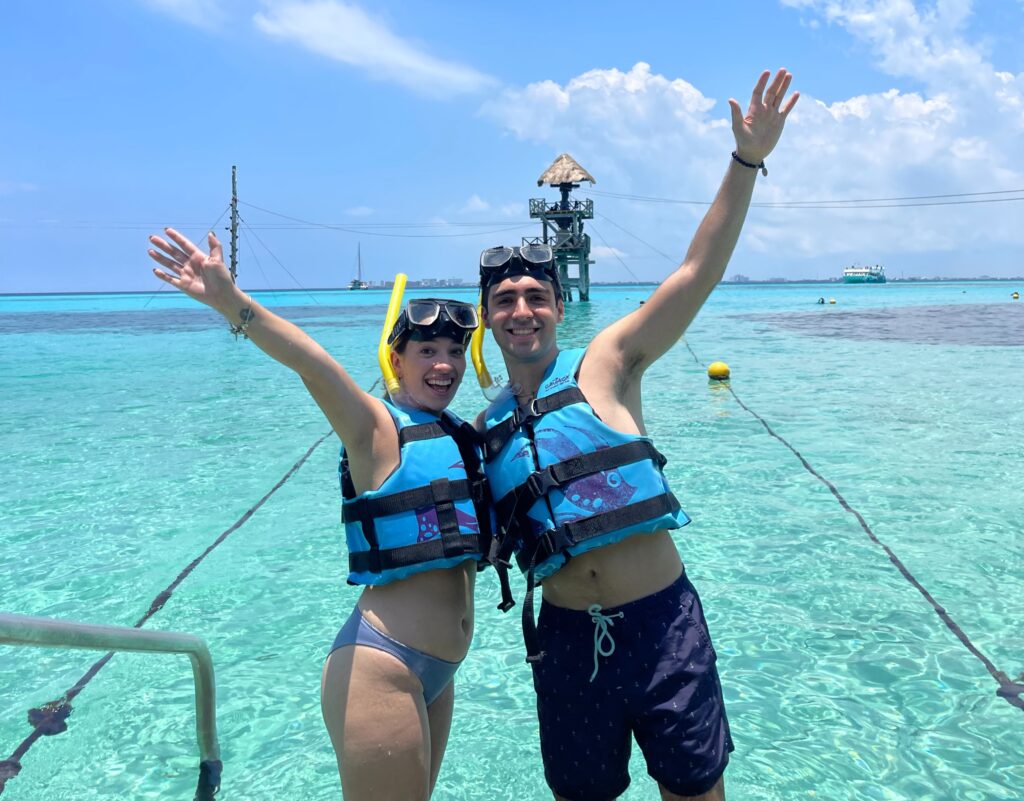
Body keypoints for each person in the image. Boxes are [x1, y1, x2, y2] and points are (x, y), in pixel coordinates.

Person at [477, 69, 799, 801]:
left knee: (695, 792)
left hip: (662, 624)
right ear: (489, 319)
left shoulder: (609, 364)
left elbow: (697, 272)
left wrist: (745, 160)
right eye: (504, 300)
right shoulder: (485, 431)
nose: (521, 309)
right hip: (564, 644)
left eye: (535, 296)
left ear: (558, 309)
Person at [148, 229, 491, 801]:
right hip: (384, 669)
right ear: (397, 360)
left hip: (440, 672)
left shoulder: (461, 436)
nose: (444, 364)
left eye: (455, 352)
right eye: (427, 351)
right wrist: (230, 302)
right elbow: (310, 360)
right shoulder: (375, 429)